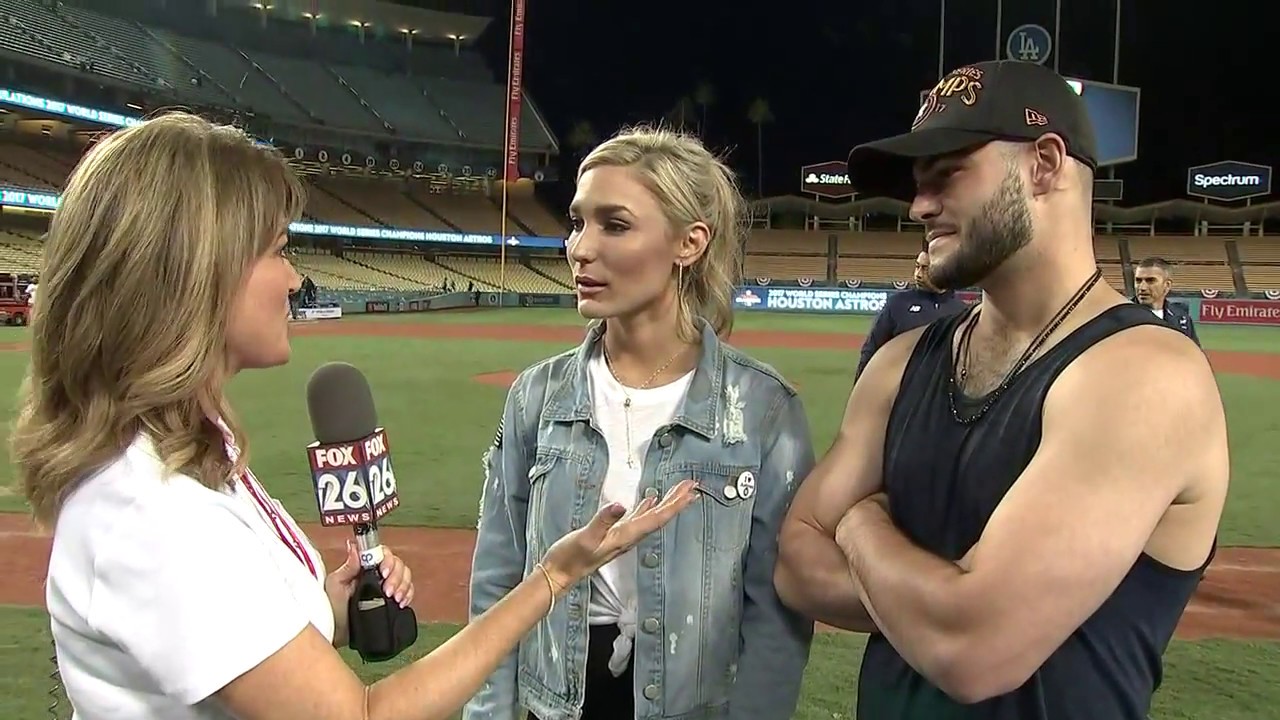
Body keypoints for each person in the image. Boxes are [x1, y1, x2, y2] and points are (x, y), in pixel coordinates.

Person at [16, 111, 698, 720]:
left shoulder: (188, 450)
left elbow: (226, 643)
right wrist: (551, 578)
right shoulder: (153, 513)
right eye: (278, 249)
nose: (293, 278)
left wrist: (329, 609)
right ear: (198, 270)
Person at [774, 60, 1228, 720]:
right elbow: (795, 565)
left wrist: (860, 521)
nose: (919, 205)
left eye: (948, 172)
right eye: (916, 185)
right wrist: (939, 593)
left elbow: (973, 647)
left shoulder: (1143, 374)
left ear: (1044, 165)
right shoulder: (902, 364)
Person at [465, 125, 815, 720]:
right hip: (555, 705)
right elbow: (497, 582)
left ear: (690, 243)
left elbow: (775, 617)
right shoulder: (536, 397)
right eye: (577, 221)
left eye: (614, 224)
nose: (579, 247)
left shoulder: (764, 409)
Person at [855, 249, 967, 379]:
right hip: (900, 391)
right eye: (917, 266)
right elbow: (871, 349)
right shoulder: (898, 304)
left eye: (925, 268)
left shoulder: (961, 312)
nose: (918, 274)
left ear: (943, 269)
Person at [1133, 256, 1201, 346]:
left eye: (1150, 281)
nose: (1142, 287)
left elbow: (1193, 355)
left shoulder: (1182, 319)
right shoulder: (1120, 317)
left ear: (1167, 285)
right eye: (1138, 281)